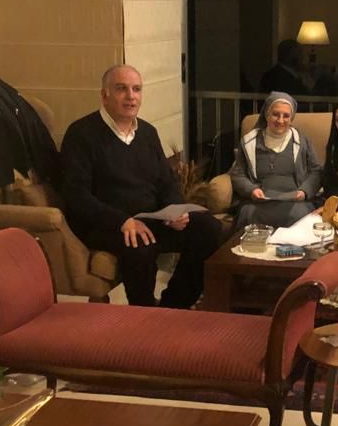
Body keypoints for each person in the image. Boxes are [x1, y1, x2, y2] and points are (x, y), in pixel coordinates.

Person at [60, 64, 223, 308]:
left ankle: (174, 306)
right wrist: (122, 221)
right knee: (140, 243)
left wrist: (175, 210)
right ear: (104, 95)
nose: (131, 96)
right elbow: (76, 195)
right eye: (121, 89)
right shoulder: (81, 134)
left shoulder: (147, 132)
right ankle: (144, 312)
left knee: (209, 228)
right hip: (107, 223)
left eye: (136, 89)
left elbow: (166, 181)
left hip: (150, 217)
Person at [229, 92, 322, 229]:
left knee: (302, 216)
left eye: (286, 116)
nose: (280, 120)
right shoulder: (249, 142)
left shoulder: (302, 141)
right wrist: (251, 190)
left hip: (295, 203)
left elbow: (316, 171)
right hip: (259, 203)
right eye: (275, 114)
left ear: (291, 119)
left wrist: (304, 192)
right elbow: (238, 174)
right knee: (247, 215)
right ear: (266, 115)